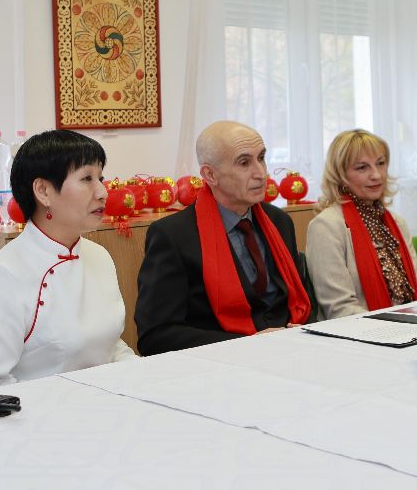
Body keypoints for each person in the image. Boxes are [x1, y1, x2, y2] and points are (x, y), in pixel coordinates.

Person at [0, 130, 134, 388]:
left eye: (100, 178)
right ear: (43, 191)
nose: (103, 192)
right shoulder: (3, 275)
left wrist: (143, 377)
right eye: (87, 178)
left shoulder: (99, 256)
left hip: (106, 400)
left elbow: (110, 347)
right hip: (38, 410)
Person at [134, 121, 312, 354]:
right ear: (210, 175)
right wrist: (246, 344)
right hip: (220, 362)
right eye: (244, 163)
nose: (261, 173)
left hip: (290, 351)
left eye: (261, 158)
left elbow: (298, 303)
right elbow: (155, 336)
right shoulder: (173, 235)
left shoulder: (279, 221)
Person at [306, 129, 417, 319]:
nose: (377, 175)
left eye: (380, 163)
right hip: (362, 331)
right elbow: (340, 309)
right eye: (362, 167)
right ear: (340, 175)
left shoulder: (397, 222)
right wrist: (396, 327)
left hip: (412, 324)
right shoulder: (325, 227)